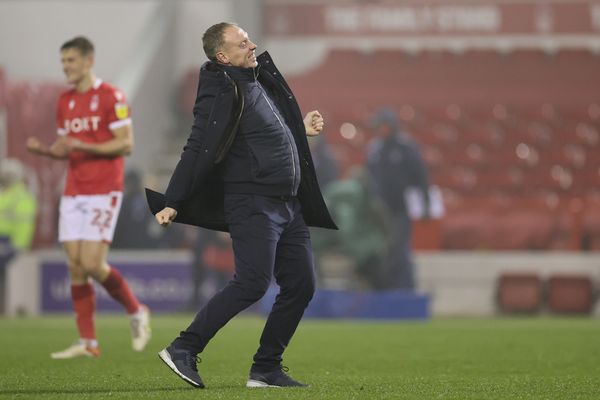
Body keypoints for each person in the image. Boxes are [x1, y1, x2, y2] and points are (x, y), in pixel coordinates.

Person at [149, 22, 336, 389]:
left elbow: (265, 132)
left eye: (248, 38)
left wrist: (301, 128)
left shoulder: (255, 80)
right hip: (252, 202)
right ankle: (184, 347)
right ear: (223, 56)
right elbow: (198, 144)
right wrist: (173, 201)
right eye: (242, 42)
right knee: (252, 283)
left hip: (287, 205)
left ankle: (266, 368)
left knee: (301, 284)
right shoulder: (221, 89)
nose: (252, 45)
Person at [26, 36, 150, 359]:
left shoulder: (112, 96)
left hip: (103, 190)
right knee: (76, 266)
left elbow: (125, 144)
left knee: (93, 263)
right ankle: (88, 341)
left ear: (88, 60)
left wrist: (84, 146)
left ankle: (137, 311)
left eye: (71, 61)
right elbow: (66, 148)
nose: (66, 67)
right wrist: (45, 151)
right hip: (74, 191)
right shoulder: (65, 101)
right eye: (63, 62)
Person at [366, 108, 431, 290]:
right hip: (380, 210)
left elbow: (421, 177)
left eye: (384, 126)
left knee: (399, 249)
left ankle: (405, 288)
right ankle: (387, 288)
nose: (381, 130)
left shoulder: (406, 148)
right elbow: (370, 177)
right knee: (384, 250)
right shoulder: (375, 149)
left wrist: (425, 204)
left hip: (401, 208)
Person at [0, 158, 37, 313]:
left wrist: (16, 246)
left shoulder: (21, 196)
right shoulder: (7, 194)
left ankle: (2, 309)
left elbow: (24, 225)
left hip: (8, 241)